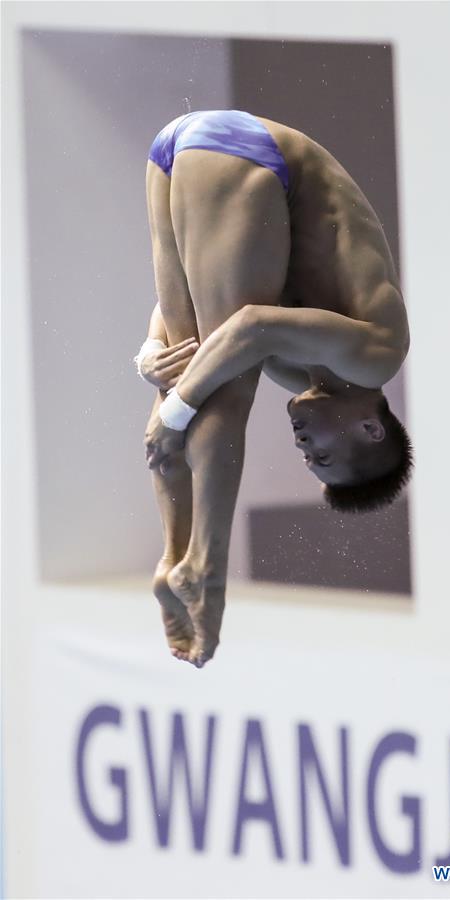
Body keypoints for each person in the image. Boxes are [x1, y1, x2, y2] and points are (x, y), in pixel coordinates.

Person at [138, 109, 412, 668]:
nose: (304, 448)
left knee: (188, 371)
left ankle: (174, 555)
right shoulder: (374, 357)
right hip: (247, 151)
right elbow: (250, 326)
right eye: (323, 454)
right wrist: (175, 413)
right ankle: (206, 569)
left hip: (175, 150)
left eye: (307, 458)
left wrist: (149, 351)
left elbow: (202, 286)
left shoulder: (300, 372)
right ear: (370, 425)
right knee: (222, 387)